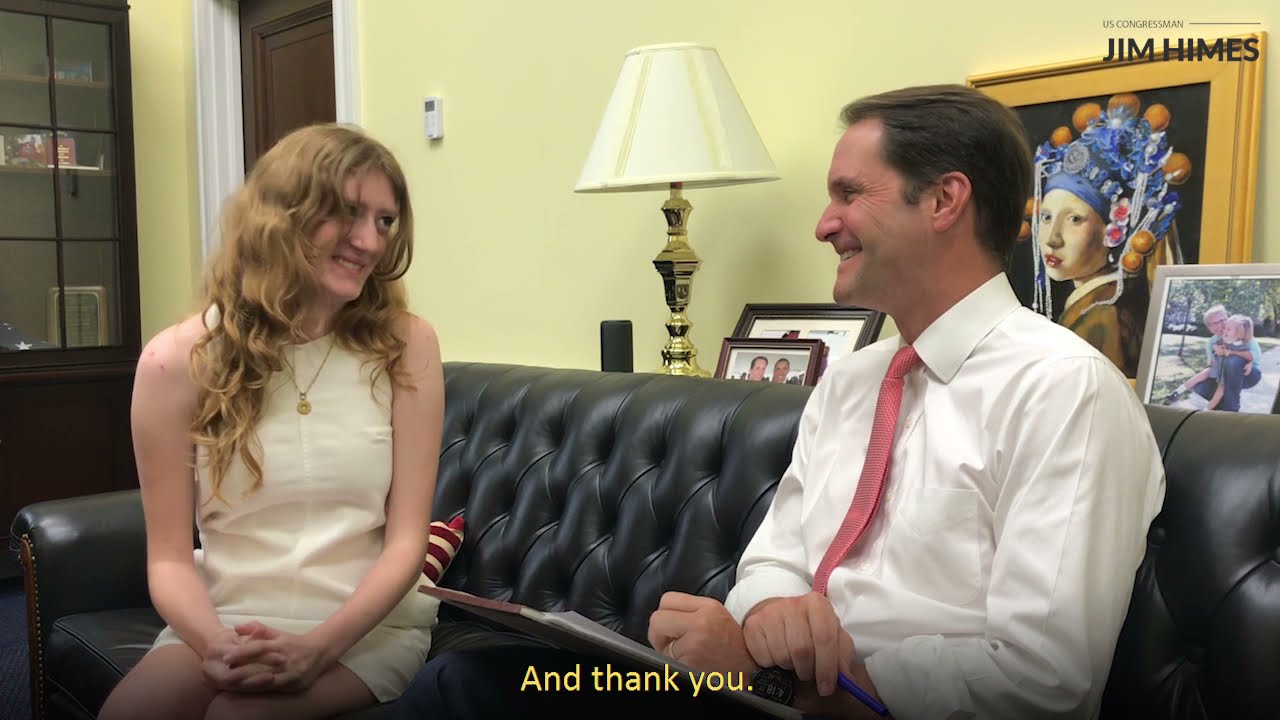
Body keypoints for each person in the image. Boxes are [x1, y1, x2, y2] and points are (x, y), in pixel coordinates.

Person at [393, 85, 1166, 720]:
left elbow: (1044, 682)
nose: (824, 224)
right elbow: (771, 561)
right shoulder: (854, 379)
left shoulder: (1065, 391)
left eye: (848, 194)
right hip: (766, 693)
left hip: (852, 707)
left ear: (943, 200)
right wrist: (769, 617)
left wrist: (794, 679)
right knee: (484, 681)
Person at [98, 123, 445, 720]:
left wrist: (319, 649)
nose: (369, 241)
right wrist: (216, 646)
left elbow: (407, 543)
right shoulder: (174, 361)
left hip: (365, 627)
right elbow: (170, 561)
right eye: (347, 213)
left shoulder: (408, 345)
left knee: (237, 716)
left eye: (385, 221)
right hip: (225, 619)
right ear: (280, 216)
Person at [1020, 93, 1186, 378]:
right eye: (1046, 217)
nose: (1052, 239)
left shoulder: (1103, 317)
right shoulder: (1101, 305)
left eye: (1074, 219)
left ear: (1114, 229)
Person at [1165, 307, 1261, 411]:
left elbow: (1255, 356)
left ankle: (1231, 407)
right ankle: (1180, 392)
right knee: (1201, 386)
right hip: (1224, 372)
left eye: (1222, 320)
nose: (1220, 325)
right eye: (1215, 323)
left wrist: (1249, 362)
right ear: (1209, 328)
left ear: (1228, 319)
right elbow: (1212, 364)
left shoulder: (1241, 336)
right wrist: (1216, 353)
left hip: (1248, 374)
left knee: (1233, 361)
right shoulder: (1212, 342)